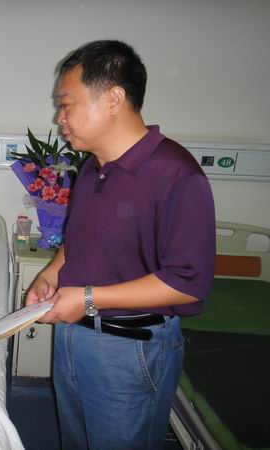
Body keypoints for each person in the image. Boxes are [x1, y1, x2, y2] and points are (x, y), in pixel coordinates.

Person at [26, 40, 216, 449]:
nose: (59, 118)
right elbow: (80, 239)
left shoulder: (177, 174)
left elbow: (187, 284)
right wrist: (51, 273)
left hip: (130, 351)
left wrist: (88, 298)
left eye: (66, 104)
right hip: (74, 338)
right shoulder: (92, 167)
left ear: (113, 98)